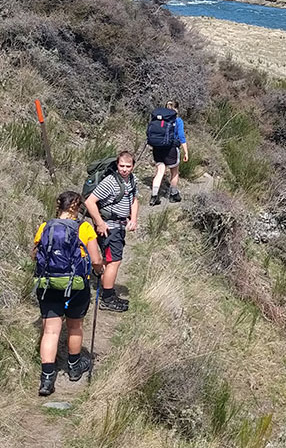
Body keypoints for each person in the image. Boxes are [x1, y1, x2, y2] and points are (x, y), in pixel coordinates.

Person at [33, 190, 104, 395]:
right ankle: (74, 367)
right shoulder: (84, 227)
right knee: (74, 327)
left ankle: (47, 379)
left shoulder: (45, 227)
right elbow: (96, 260)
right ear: (78, 207)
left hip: (48, 285)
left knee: (50, 331)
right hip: (76, 286)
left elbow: (35, 255)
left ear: (59, 206)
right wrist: (99, 270)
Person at [85, 150, 139, 312]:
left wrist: (133, 219)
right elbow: (89, 202)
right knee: (114, 261)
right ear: (117, 165)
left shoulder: (132, 180)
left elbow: (134, 200)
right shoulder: (109, 181)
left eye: (128, 166)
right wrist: (100, 223)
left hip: (120, 226)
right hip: (109, 227)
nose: (124, 169)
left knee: (110, 260)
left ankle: (102, 282)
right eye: (122, 166)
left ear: (133, 166)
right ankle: (107, 299)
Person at [150, 100, 189, 206]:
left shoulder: (159, 120)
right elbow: (181, 137)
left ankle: (154, 196)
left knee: (159, 172)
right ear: (177, 109)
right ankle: (173, 194)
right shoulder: (178, 121)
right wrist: (186, 152)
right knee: (174, 172)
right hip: (171, 149)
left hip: (157, 148)